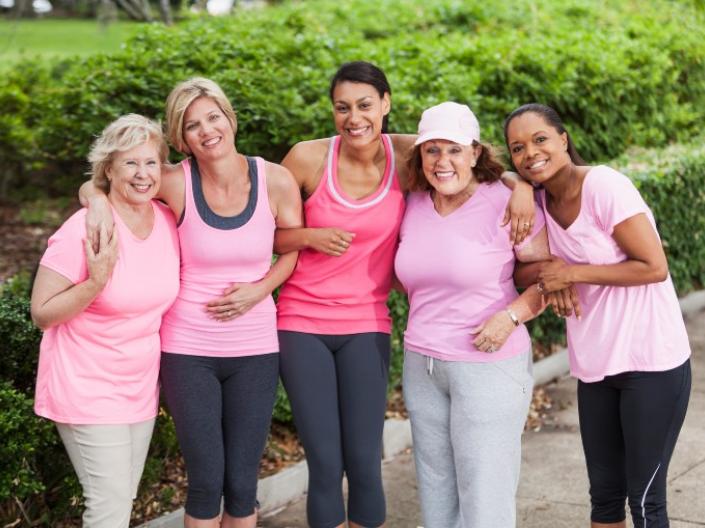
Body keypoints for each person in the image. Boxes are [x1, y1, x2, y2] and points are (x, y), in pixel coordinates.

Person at [274, 62, 535, 528]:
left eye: (366, 105)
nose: (355, 117)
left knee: (374, 462)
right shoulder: (326, 164)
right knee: (353, 466)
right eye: (342, 107)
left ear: (386, 105)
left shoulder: (418, 164)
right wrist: (309, 238)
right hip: (346, 334)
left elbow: (478, 168)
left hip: (387, 329)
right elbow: (260, 218)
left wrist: (525, 187)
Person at [80, 78, 302, 528]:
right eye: (192, 125)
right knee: (204, 482)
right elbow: (104, 180)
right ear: (181, 138)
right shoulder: (174, 182)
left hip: (255, 350)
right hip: (187, 352)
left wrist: (262, 288)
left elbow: (292, 248)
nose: (207, 131)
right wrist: (96, 203)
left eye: (213, 117)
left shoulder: (275, 179)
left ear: (230, 118)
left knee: (242, 484)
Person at [504, 103, 692, 528]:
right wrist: (517, 185)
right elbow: (519, 271)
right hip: (594, 368)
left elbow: (653, 266)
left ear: (563, 139)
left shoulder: (605, 186)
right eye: (518, 148)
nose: (530, 153)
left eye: (540, 140)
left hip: (651, 363)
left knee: (646, 504)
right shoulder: (536, 201)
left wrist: (570, 272)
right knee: (604, 500)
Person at [393, 102, 550, 528]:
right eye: (432, 150)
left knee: (485, 495)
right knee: (436, 485)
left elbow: (549, 277)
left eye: (454, 150)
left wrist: (511, 316)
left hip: (489, 365)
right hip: (422, 364)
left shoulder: (507, 203)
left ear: (475, 153)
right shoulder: (414, 200)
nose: (442, 162)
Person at [32, 114, 180, 528]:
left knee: (121, 501)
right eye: (130, 163)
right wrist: (97, 280)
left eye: (151, 162)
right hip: (87, 387)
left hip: (139, 388)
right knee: (109, 509)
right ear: (108, 169)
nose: (142, 174)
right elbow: (42, 313)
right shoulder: (84, 226)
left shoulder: (167, 221)